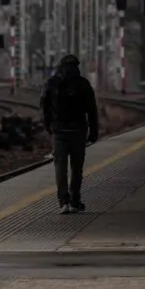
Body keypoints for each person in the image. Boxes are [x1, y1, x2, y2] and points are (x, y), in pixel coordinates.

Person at [41, 53, 99, 214]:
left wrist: (49, 127)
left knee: (60, 168)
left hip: (59, 131)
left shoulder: (51, 83)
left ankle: (63, 202)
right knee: (76, 168)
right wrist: (93, 132)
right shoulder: (83, 84)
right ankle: (75, 200)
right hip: (78, 131)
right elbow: (92, 111)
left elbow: (44, 108)